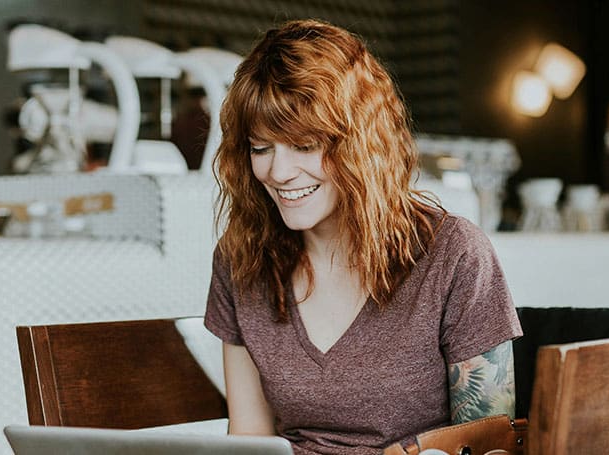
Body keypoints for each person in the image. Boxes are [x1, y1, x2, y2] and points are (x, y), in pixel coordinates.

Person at [203, 19, 522, 455]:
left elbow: (492, 445)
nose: (278, 173)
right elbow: (250, 441)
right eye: (261, 148)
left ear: (360, 143)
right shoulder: (241, 259)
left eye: (304, 145)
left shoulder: (454, 254)